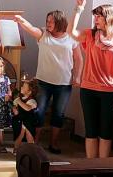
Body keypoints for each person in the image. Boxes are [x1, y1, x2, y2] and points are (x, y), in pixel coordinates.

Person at [69, 0, 113, 159]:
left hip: (112, 91)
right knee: (91, 131)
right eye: (95, 16)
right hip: (89, 89)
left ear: (109, 18)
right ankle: (91, 167)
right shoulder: (90, 35)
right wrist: (78, 9)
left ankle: (102, 167)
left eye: (99, 16)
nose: (96, 19)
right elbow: (71, 32)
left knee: (106, 132)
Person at [14, 10, 82, 154]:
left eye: (51, 21)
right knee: (38, 112)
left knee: (58, 114)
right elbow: (31, 28)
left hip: (64, 83)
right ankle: (35, 142)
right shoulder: (43, 34)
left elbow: (79, 59)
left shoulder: (71, 37)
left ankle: (53, 143)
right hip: (43, 82)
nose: (48, 23)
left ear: (60, 22)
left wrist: (77, 77)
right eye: (47, 20)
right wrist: (20, 20)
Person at [12, 79, 39, 154]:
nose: (21, 87)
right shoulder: (19, 98)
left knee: (29, 133)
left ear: (29, 92)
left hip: (29, 121)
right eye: (22, 86)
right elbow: (15, 107)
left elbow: (27, 108)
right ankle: (16, 148)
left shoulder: (32, 100)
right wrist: (14, 109)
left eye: (24, 87)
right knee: (19, 134)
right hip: (20, 120)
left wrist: (18, 101)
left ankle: (31, 150)